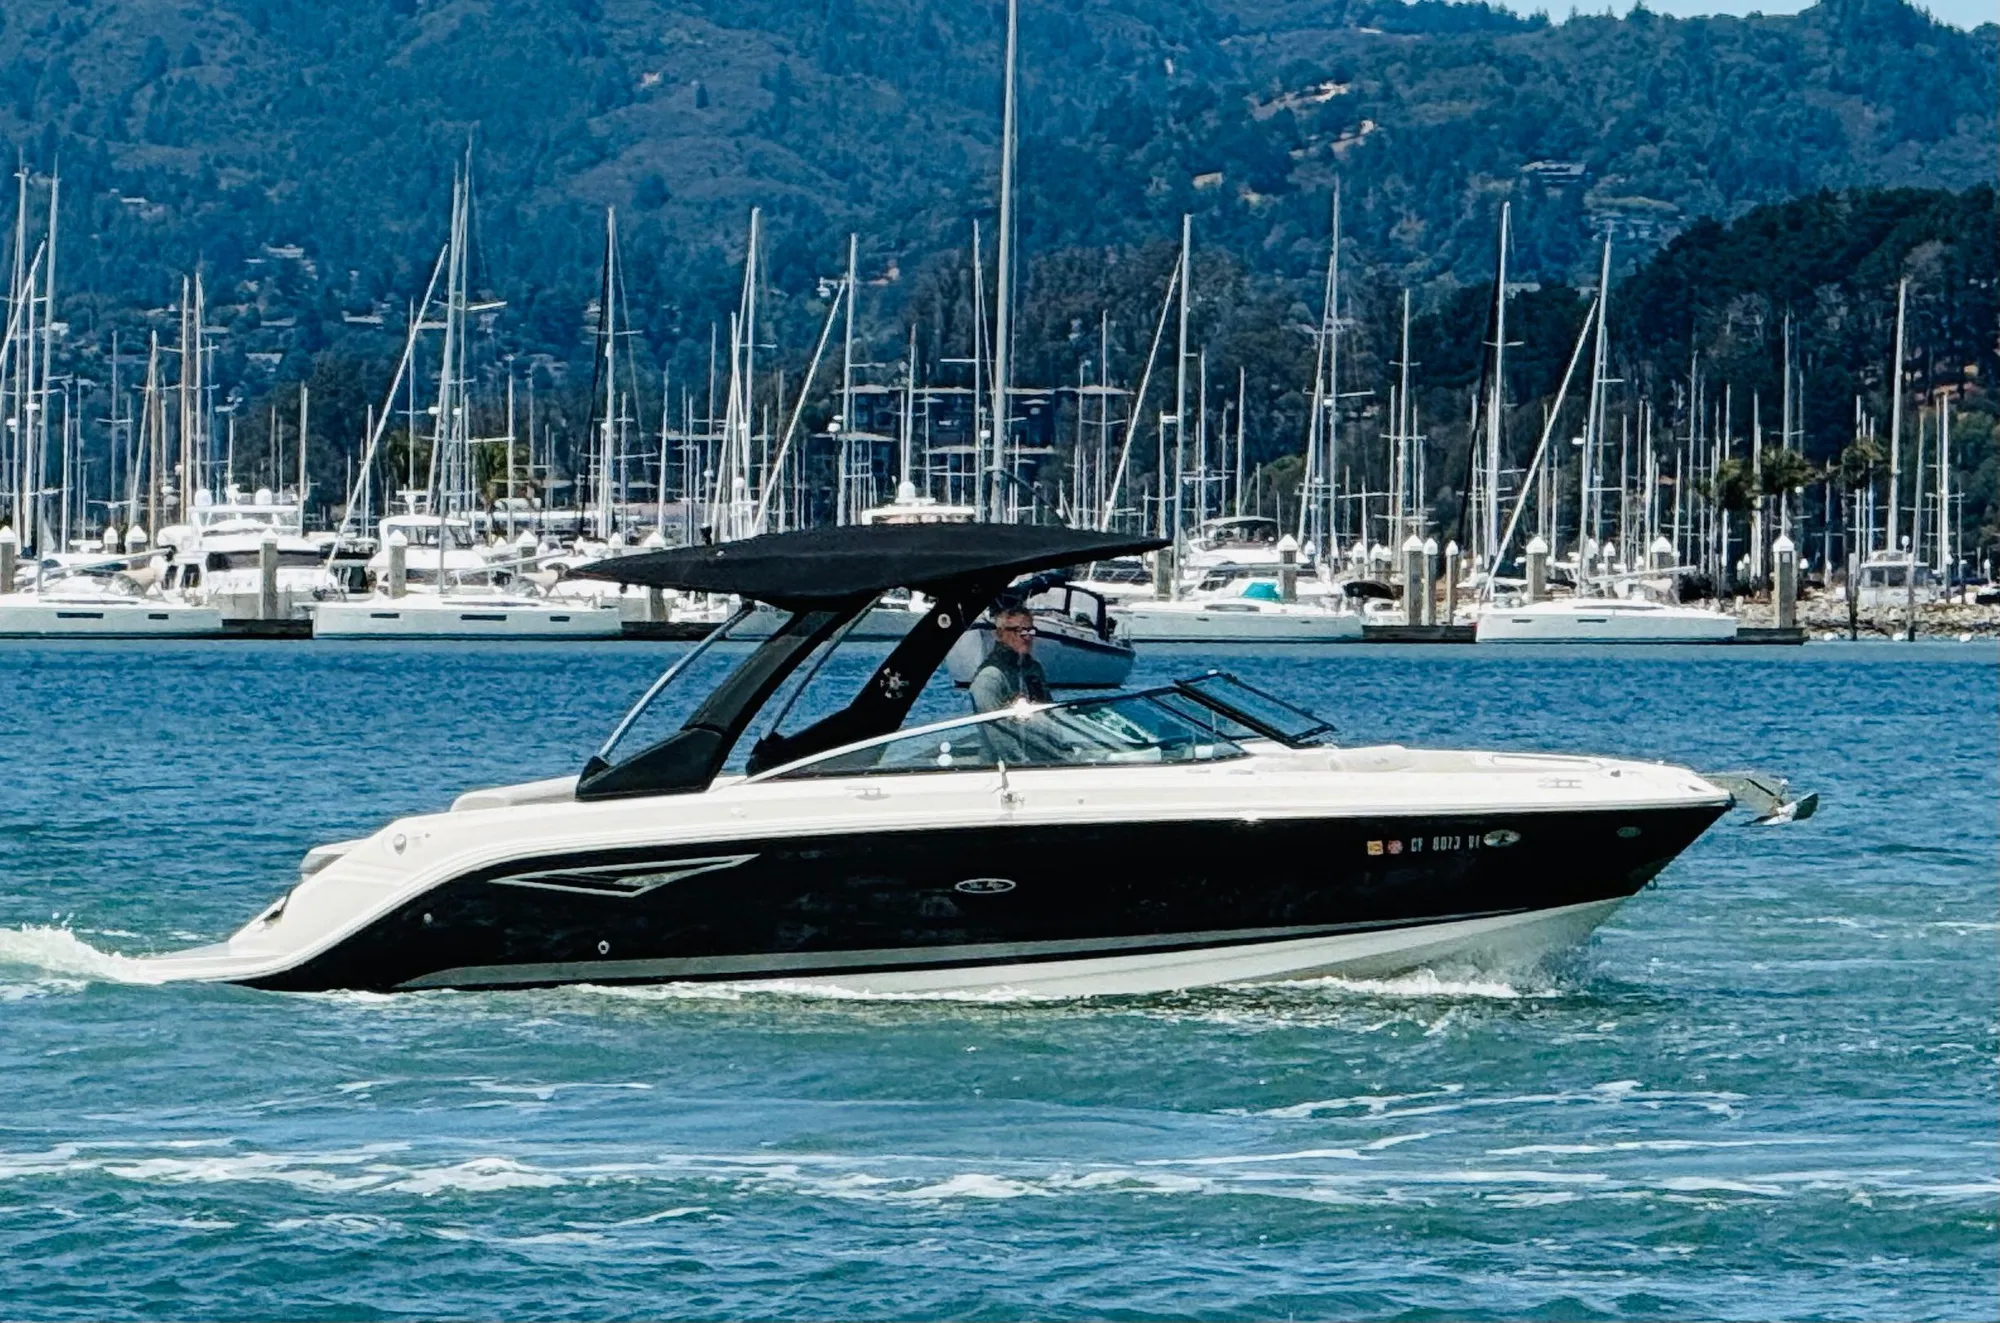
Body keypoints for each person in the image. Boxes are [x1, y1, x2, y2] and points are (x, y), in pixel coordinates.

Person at [969, 605, 1050, 712]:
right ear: (1000, 634)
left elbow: (1049, 710)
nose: (1027, 636)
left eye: (1030, 631)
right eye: (1019, 630)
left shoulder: (1034, 669)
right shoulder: (990, 676)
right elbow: (994, 725)